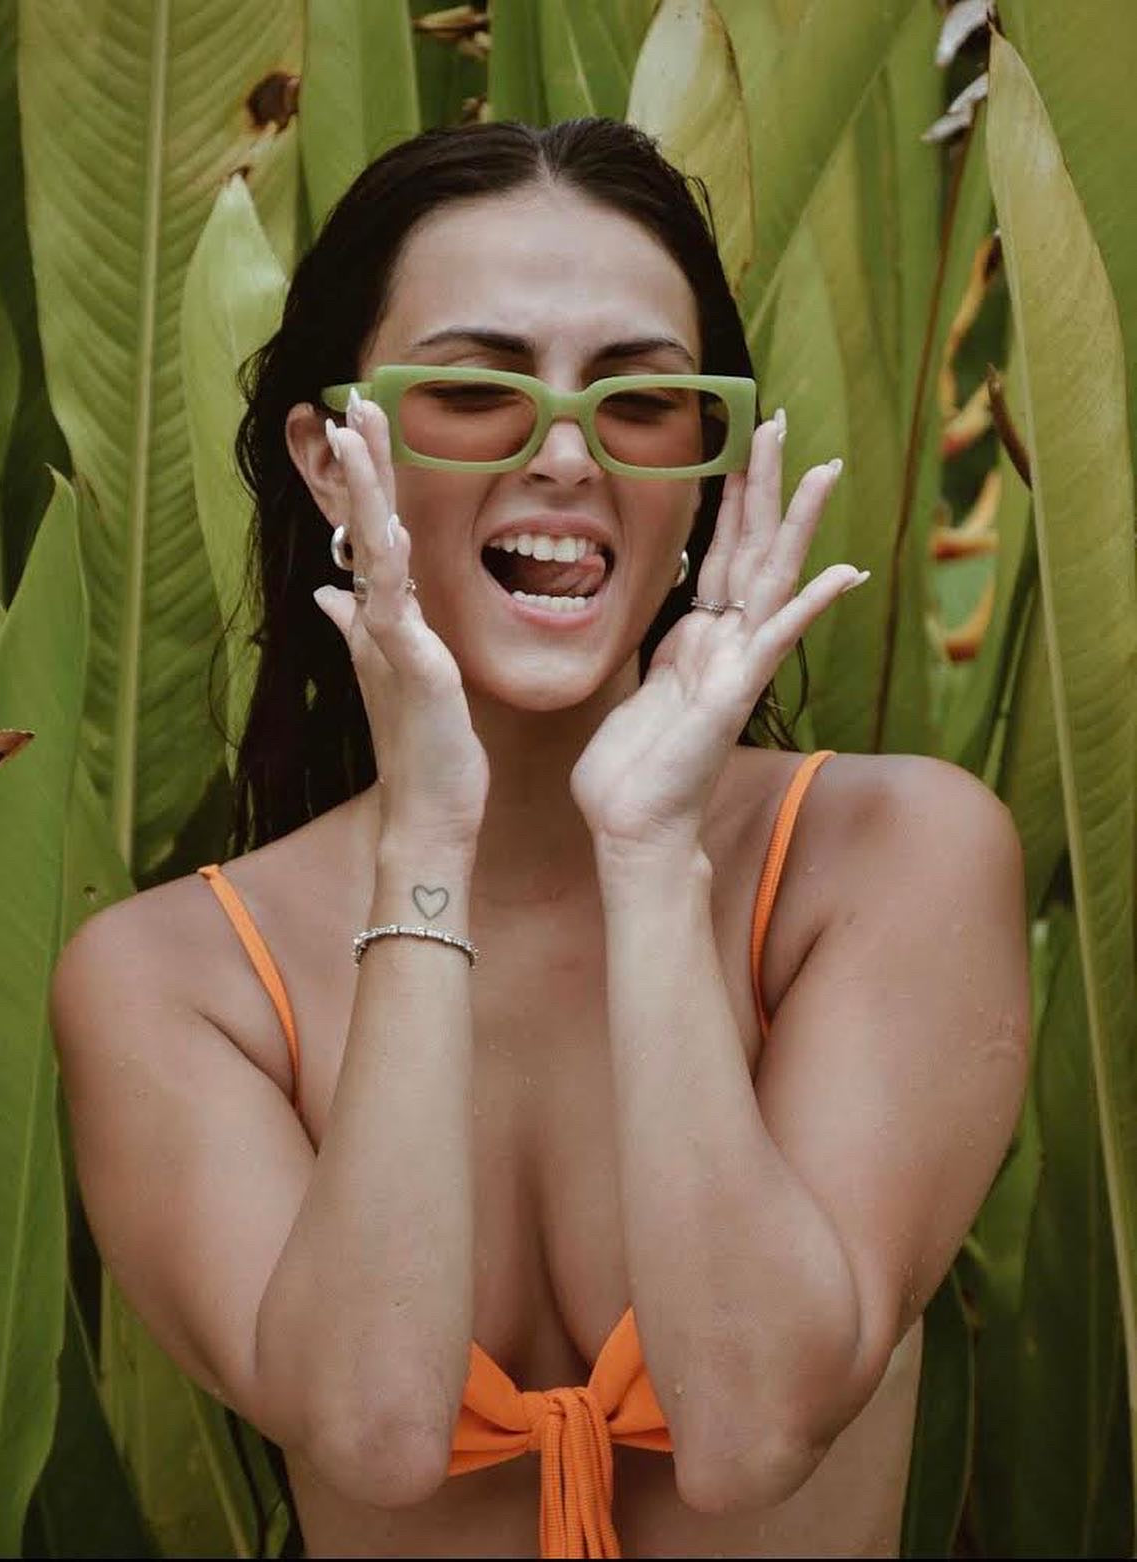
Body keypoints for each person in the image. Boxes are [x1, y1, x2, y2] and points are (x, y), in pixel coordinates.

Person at [50, 117, 1030, 1558]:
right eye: (471, 389)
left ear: (702, 468)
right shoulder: (174, 978)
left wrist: (650, 856)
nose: (566, 454)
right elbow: (377, 1431)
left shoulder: (892, 858)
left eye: (642, 401)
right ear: (329, 459)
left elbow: (752, 1425)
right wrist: (424, 841)